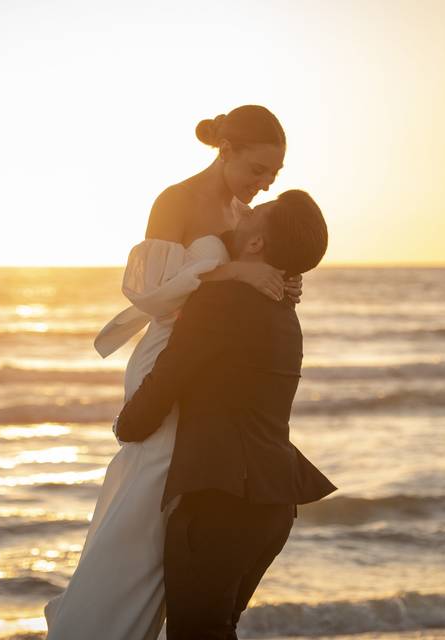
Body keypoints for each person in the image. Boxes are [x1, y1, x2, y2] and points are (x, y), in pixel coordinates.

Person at [44, 106, 299, 639]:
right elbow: (150, 293)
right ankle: (96, 622)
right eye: (256, 170)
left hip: (206, 361)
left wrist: (277, 279)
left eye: (272, 176)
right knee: (149, 487)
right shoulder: (175, 200)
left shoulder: (240, 212)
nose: (263, 183)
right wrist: (237, 272)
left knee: (174, 500)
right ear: (225, 152)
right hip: (169, 352)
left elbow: (243, 284)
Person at [114, 190, 338, 639]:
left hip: (222, 503)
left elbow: (166, 380)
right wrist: (238, 265)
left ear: (257, 244)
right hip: (271, 505)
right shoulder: (280, 305)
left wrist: (127, 425)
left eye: (260, 210)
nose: (248, 208)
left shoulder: (222, 303)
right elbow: (212, 242)